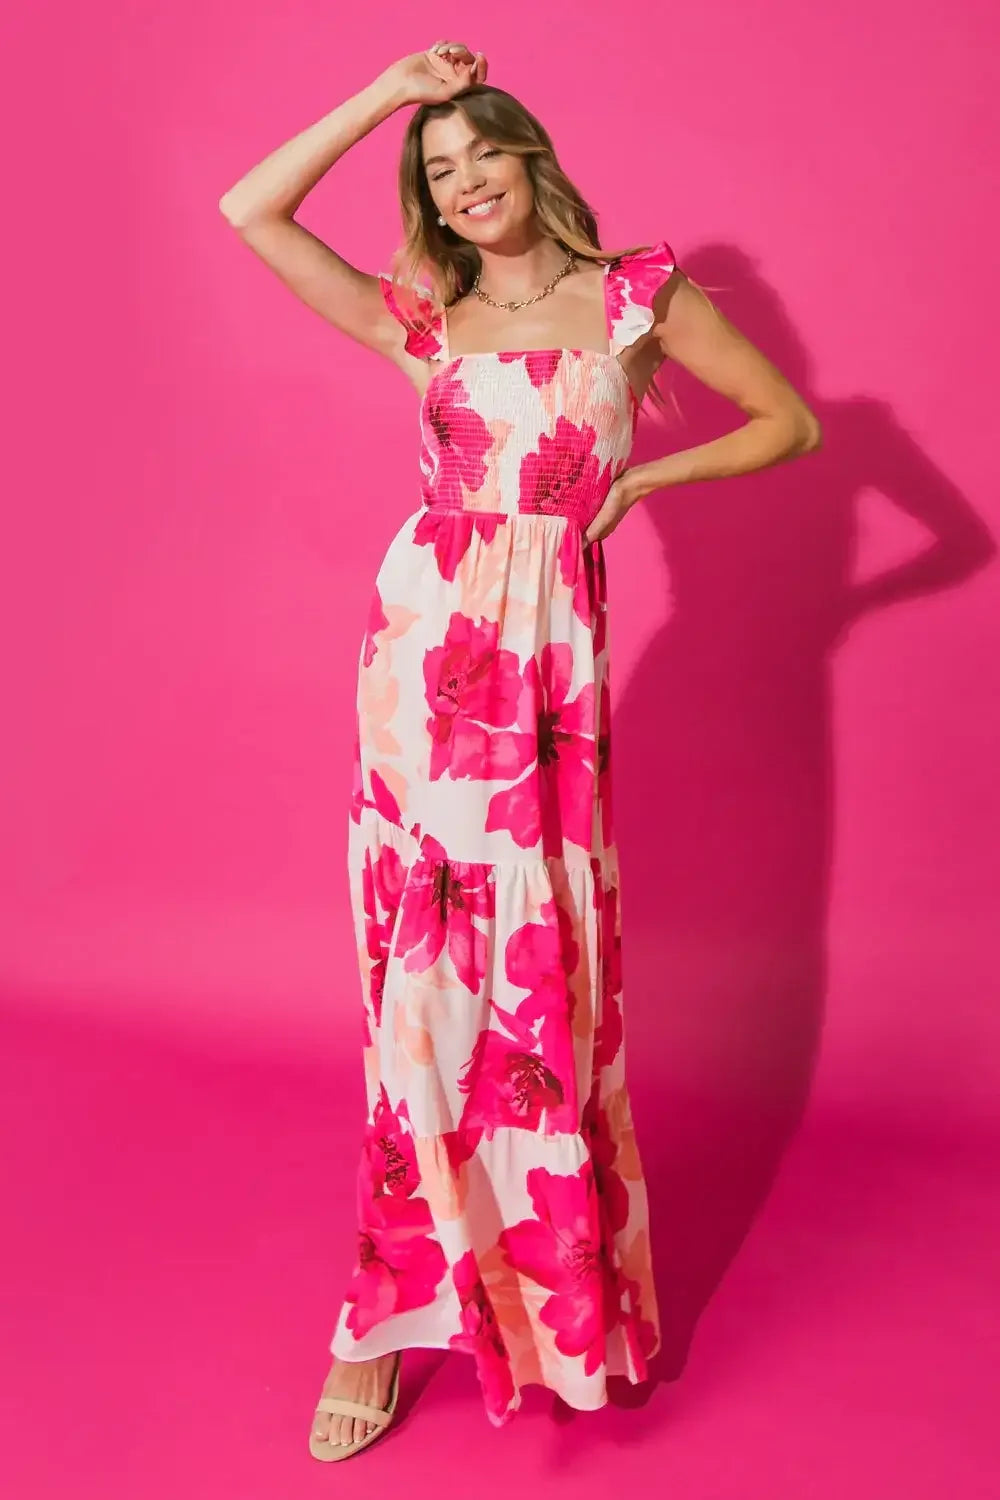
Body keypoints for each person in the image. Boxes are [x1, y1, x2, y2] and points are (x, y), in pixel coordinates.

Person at [219, 40, 822, 1461]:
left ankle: (553, 1293)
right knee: (420, 984)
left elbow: (790, 427)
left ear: (532, 160)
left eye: (481, 152)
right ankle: (380, 1313)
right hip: (421, 664)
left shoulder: (633, 298)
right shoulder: (423, 319)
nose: (463, 180)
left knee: (541, 967)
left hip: (554, 679)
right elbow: (251, 211)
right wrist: (383, 95)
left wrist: (647, 479)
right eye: (437, 170)